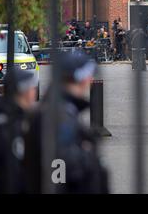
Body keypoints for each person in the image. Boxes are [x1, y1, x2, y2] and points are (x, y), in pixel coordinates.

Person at [24, 52, 108, 194]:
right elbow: (59, 171)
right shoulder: (59, 117)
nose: (91, 79)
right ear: (81, 78)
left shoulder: (60, 109)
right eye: (89, 75)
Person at [0, 68, 39, 193]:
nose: (34, 92)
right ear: (24, 91)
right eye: (32, 88)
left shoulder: (2, 116)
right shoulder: (9, 126)